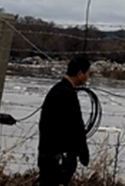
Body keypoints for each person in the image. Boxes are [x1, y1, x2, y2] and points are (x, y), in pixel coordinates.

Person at [37, 56, 91, 186]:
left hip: (48, 153)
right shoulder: (67, 94)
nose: (88, 77)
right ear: (80, 73)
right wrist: (83, 153)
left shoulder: (57, 89)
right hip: (58, 156)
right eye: (88, 73)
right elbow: (76, 125)